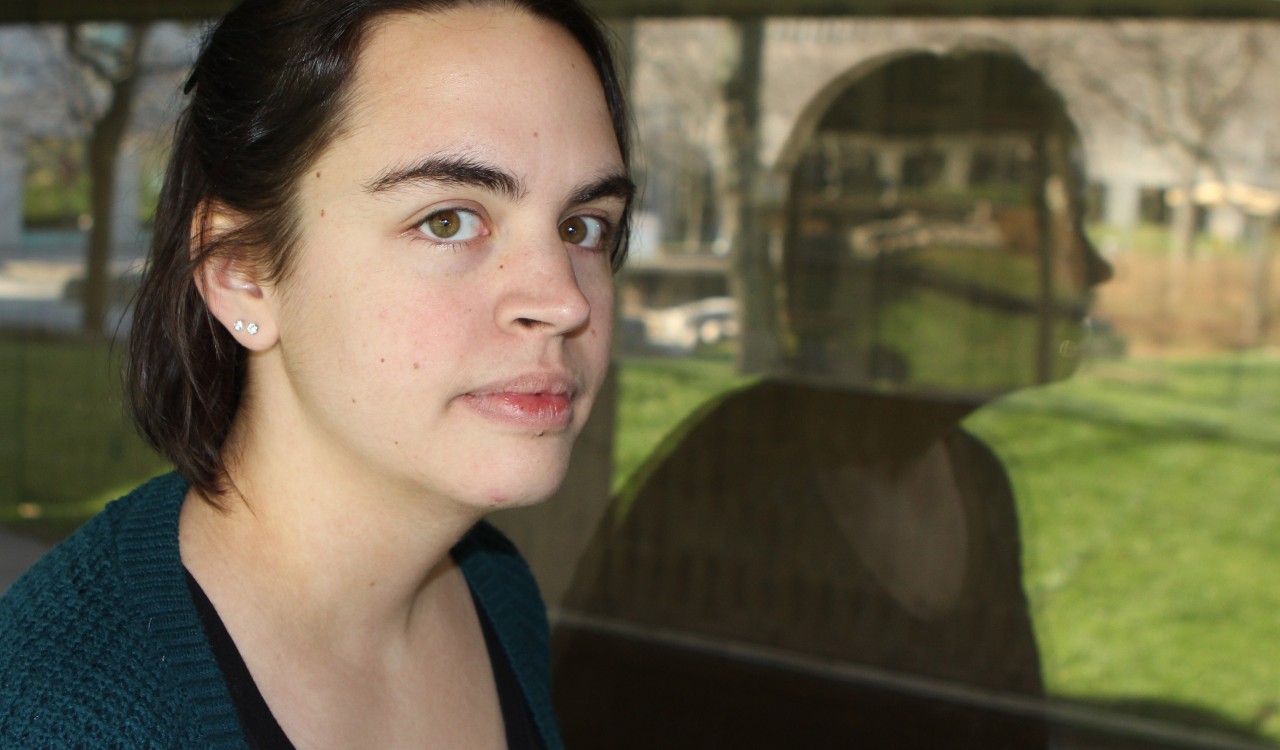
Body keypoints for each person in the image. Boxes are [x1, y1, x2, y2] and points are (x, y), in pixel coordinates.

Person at [0, 0, 632, 747]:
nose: (562, 300)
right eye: (448, 220)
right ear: (241, 274)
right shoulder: (64, 714)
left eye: (582, 226)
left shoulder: (495, 590)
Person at [553, 50, 1110, 748]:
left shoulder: (978, 483)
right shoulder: (735, 487)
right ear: (918, 256)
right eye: (1058, 223)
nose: (1096, 267)